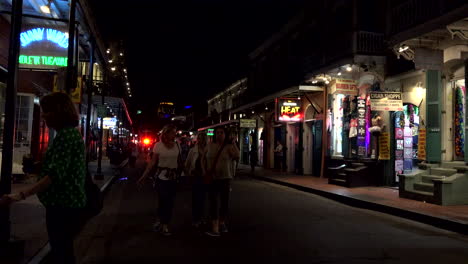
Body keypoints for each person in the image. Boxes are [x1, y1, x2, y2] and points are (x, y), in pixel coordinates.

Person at [3, 92, 86, 264]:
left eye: (46, 111)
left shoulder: (66, 136)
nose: (43, 115)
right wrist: (38, 166)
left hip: (63, 205)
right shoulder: (68, 134)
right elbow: (59, 167)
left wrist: (19, 195)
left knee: (62, 252)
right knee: (62, 250)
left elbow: (55, 175)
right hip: (65, 204)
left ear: (58, 112)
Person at [138, 124, 180, 236]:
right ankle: (162, 222)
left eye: (175, 132)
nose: (174, 134)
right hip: (161, 177)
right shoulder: (158, 145)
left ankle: (164, 223)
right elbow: (152, 162)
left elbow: (180, 161)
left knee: (170, 202)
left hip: (173, 177)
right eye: (172, 132)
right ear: (166, 133)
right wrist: (144, 176)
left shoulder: (177, 145)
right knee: (163, 200)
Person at [205, 127, 240, 237]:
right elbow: (203, 158)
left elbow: (237, 155)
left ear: (225, 135)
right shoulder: (210, 146)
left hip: (225, 178)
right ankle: (215, 226)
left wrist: (233, 142)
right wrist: (204, 170)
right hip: (213, 178)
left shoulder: (229, 147)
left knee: (224, 202)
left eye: (221, 133)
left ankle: (222, 222)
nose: (219, 135)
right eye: (217, 133)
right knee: (213, 202)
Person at [184, 133, 207, 228]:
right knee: (196, 199)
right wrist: (188, 174)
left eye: (203, 138)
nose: (201, 140)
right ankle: (195, 218)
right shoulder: (193, 151)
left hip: (205, 177)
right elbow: (187, 164)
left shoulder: (208, 149)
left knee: (203, 198)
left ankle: (201, 217)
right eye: (200, 138)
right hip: (195, 177)